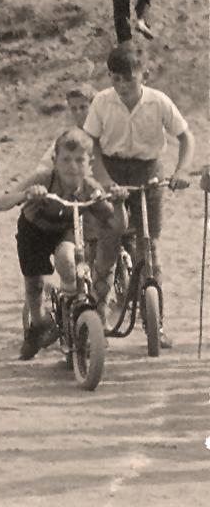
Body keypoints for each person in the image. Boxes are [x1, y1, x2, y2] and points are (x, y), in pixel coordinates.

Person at [84, 46, 194, 347]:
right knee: (108, 243)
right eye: (116, 79)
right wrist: (105, 180)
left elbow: (186, 137)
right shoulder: (102, 102)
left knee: (149, 246)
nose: (122, 86)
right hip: (112, 169)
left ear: (143, 74)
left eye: (129, 79)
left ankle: (155, 322)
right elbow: (91, 142)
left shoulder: (159, 101)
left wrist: (182, 170)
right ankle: (99, 312)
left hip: (149, 171)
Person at [0, 129, 125, 359]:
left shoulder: (90, 187)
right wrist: (27, 194)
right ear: (55, 161)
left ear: (90, 164)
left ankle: (71, 312)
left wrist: (119, 203)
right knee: (34, 285)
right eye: (65, 159)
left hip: (66, 229)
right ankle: (38, 323)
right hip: (34, 230)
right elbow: (1, 202)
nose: (72, 167)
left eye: (79, 160)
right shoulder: (44, 178)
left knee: (68, 260)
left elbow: (116, 224)